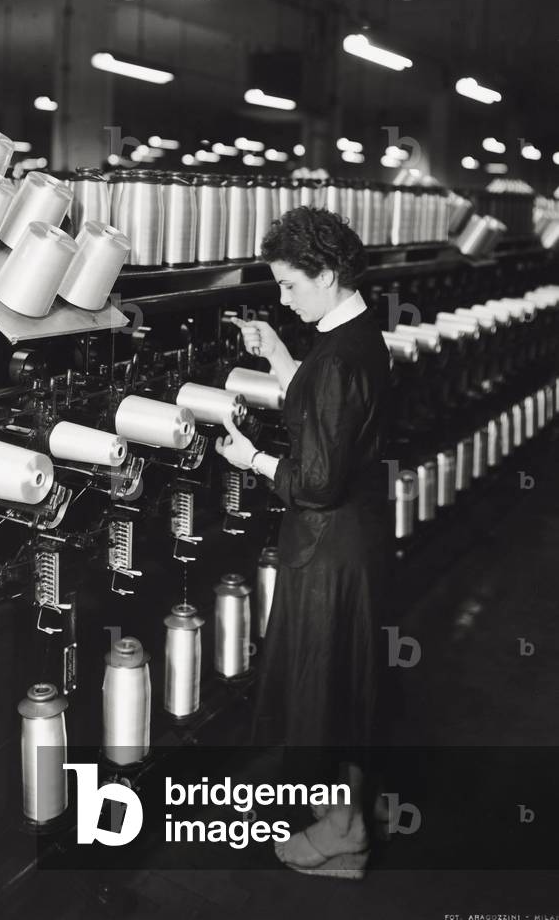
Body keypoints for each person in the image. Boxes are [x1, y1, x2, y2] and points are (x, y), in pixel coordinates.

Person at [215, 206, 392, 879]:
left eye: (290, 285)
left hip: (330, 549)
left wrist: (252, 459)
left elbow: (316, 480)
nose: (284, 298)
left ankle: (345, 835)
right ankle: (345, 821)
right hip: (352, 540)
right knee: (345, 685)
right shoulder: (353, 335)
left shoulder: (341, 358)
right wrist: (284, 356)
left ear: (330, 272)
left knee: (327, 688)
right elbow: (329, 416)